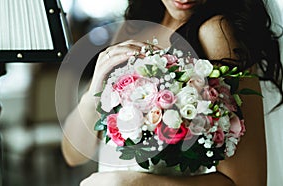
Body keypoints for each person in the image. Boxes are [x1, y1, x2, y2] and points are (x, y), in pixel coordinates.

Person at [62, 0, 283, 185]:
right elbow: (73, 154)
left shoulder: (218, 33)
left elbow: (246, 181)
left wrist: (130, 183)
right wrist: (93, 94)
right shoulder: (136, 26)